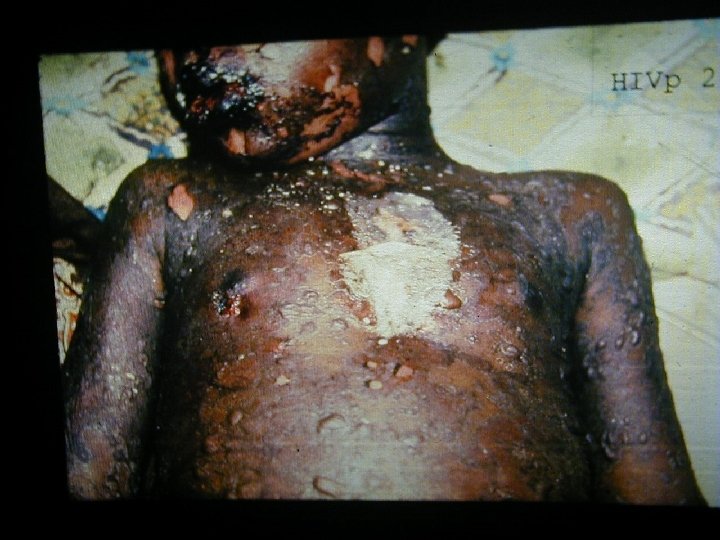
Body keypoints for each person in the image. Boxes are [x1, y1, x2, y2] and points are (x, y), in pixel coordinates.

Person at [61, 36, 705, 502]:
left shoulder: (570, 210)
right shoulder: (173, 199)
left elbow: (646, 471)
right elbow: (90, 462)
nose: (195, 61)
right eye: (172, 47)